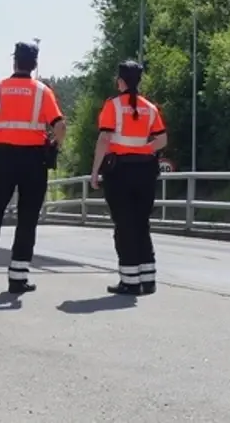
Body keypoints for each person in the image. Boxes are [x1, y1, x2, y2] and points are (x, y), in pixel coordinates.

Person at [0, 40, 67, 294]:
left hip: (4, 157)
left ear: (14, 61)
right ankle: (17, 279)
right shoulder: (42, 91)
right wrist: (53, 145)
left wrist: (3, 137)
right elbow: (59, 126)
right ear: (34, 64)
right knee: (27, 218)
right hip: (34, 160)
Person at [89, 60, 167, 296]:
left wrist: (95, 172)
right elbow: (162, 141)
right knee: (141, 224)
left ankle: (130, 281)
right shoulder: (150, 108)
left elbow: (104, 140)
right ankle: (148, 279)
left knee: (124, 226)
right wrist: (145, 149)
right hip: (145, 171)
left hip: (120, 171)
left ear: (120, 81)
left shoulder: (112, 106)